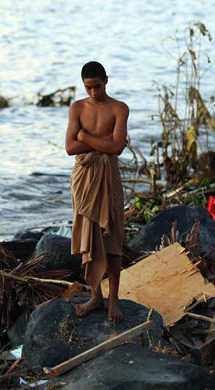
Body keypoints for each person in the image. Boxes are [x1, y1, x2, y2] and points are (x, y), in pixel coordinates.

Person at [65, 61, 129, 322]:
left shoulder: (119, 108)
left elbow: (117, 148)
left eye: (97, 86)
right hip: (83, 177)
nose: (93, 92)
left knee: (112, 237)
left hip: (108, 177)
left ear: (106, 80)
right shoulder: (77, 107)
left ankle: (113, 299)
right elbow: (69, 148)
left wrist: (85, 137)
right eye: (88, 87)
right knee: (87, 236)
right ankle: (95, 295)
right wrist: (99, 144)